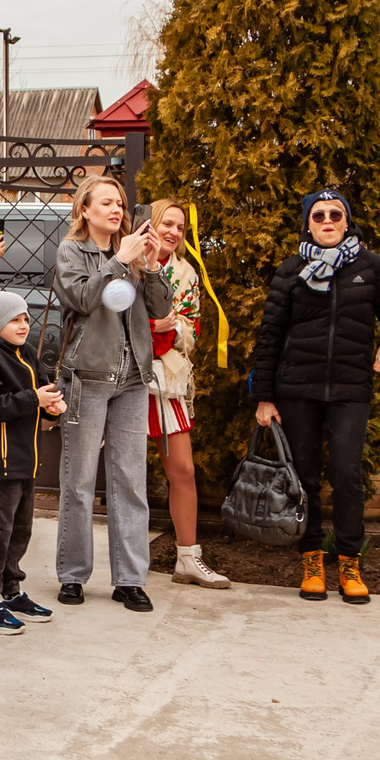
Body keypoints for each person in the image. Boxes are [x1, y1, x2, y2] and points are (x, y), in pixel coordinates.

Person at [249, 188, 380, 605]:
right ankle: (311, 562)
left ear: (347, 221)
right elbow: (269, 336)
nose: (327, 221)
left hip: (349, 388)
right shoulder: (290, 271)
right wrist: (265, 396)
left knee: (346, 475)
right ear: (307, 222)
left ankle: (350, 565)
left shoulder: (371, 267)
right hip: (297, 389)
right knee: (303, 478)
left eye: (335, 215)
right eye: (319, 215)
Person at [53, 174, 176, 611]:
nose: (116, 210)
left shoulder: (137, 253)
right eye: (106, 202)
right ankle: (72, 576)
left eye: (120, 203)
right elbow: (83, 299)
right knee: (79, 481)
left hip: (132, 380)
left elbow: (161, 311)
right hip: (87, 377)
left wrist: (155, 265)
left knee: (130, 481)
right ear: (84, 210)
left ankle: (129, 579)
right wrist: (118, 262)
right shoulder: (72, 251)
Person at [139, 199, 231, 590]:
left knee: (184, 469)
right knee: (122, 472)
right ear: (151, 224)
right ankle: (114, 562)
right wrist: (149, 325)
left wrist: (171, 331)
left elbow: (190, 329)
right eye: (167, 223)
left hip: (167, 379)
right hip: (125, 377)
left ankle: (188, 559)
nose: (174, 232)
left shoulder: (187, 273)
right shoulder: (125, 260)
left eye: (179, 226)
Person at [0, 291, 63, 628]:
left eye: (25, 318)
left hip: (26, 458)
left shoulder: (24, 352)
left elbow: (39, 389)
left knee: (20, 529)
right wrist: (32, 399)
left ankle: (11, 590)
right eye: (14, 319)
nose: (23, 325)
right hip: (2, 460)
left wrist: (51, 403)